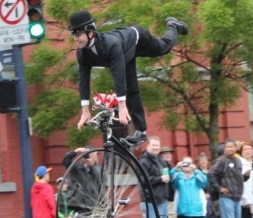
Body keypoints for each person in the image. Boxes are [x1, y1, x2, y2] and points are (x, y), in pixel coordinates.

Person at [69, 10, 189, 146]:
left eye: (78, 35)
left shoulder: (111, 45)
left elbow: (118, 74)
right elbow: (83, 81)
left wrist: (122, 106)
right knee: (131, 89)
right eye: (74, 35)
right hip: (124, 52)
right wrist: (85, 111)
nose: (75, 39)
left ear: (90, 33)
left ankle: (173, 26)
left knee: (164, 48)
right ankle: (141, 132)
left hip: (138, 39)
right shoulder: (82, 53)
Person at [207, 139, 245, 218]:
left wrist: (246, 176)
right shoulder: (222, 160)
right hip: (226, 196)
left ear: (235, 148)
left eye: (232, 147)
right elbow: (211, 173)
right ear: (224, 149)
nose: (230, 149)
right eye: (227, 147)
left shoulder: (238, 160)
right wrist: (219, 188)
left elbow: (238, 177)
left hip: (237, 196)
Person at [138, 137, 169, 218]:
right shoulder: (143, 161)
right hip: (150, 201)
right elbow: (143, 180)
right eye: (153, 145)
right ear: (147, 146)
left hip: (162, 199)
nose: (156, 147)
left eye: (157, 145)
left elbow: (166, 173)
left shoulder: (160, 161)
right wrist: (160, 179)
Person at [160, 146, 178, 218]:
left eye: (169, 153)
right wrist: (176, 169)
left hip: (171, 197)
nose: (168, 155)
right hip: (168, 198)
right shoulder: (164, 166)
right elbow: (167, 179)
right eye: (165, 153)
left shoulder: (168, 165)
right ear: (161, 155)